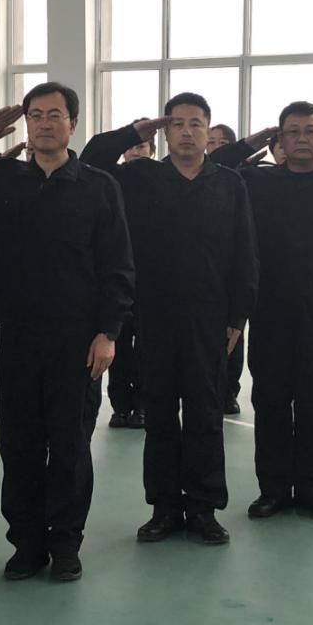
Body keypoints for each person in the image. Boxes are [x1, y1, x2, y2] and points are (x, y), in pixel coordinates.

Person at [0, 84, 133, 583]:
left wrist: (108, 331)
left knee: (70, 445)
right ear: (25, 123)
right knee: (19, 443)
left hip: (79, 340)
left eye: (55, 115)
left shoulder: (98, 187)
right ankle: (26, 543)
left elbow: (117, 265)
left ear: (73, 124)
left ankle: (65, 542)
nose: (44, 123)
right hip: (18, 336)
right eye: (35, 115)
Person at [82, 93, 258, 546]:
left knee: (205, 414)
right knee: (159, 414)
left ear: (208, 131)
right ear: (164, 132)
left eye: (196, 123)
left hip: (210, 318)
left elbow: (245, 251)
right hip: (153, 315)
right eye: (177, 124)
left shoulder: (229, 184)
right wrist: (131, 133)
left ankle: (203, 508)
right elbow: (91, 160)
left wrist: (238, 315)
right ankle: (163, 507)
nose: (186, 132)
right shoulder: (140, 177)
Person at [211, 102, 313, 520]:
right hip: (269, 313)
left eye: (310, 131)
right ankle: (274, 489)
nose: (302, 138)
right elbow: (217, 166)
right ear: (279, 139)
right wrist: (252, 141)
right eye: (292, 131)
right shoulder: (257, 184)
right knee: (272, 403)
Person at [108, 130, 155, 430]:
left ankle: (142, 405)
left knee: (147, 348)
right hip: (119, 278)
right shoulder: (111, 178)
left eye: (141, 146)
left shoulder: (163, 180)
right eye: (131, 147)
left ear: (152, 150)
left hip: (152, 281)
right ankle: (120, 407)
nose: (136, 152)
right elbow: (93, 156)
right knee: (119, 344)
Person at [207, 123, 247, 415]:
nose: (216, 147)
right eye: (212, 141)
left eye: (223, 143)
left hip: (227, 282)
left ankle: (229, 391)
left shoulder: (238, 179)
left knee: (233, 339)